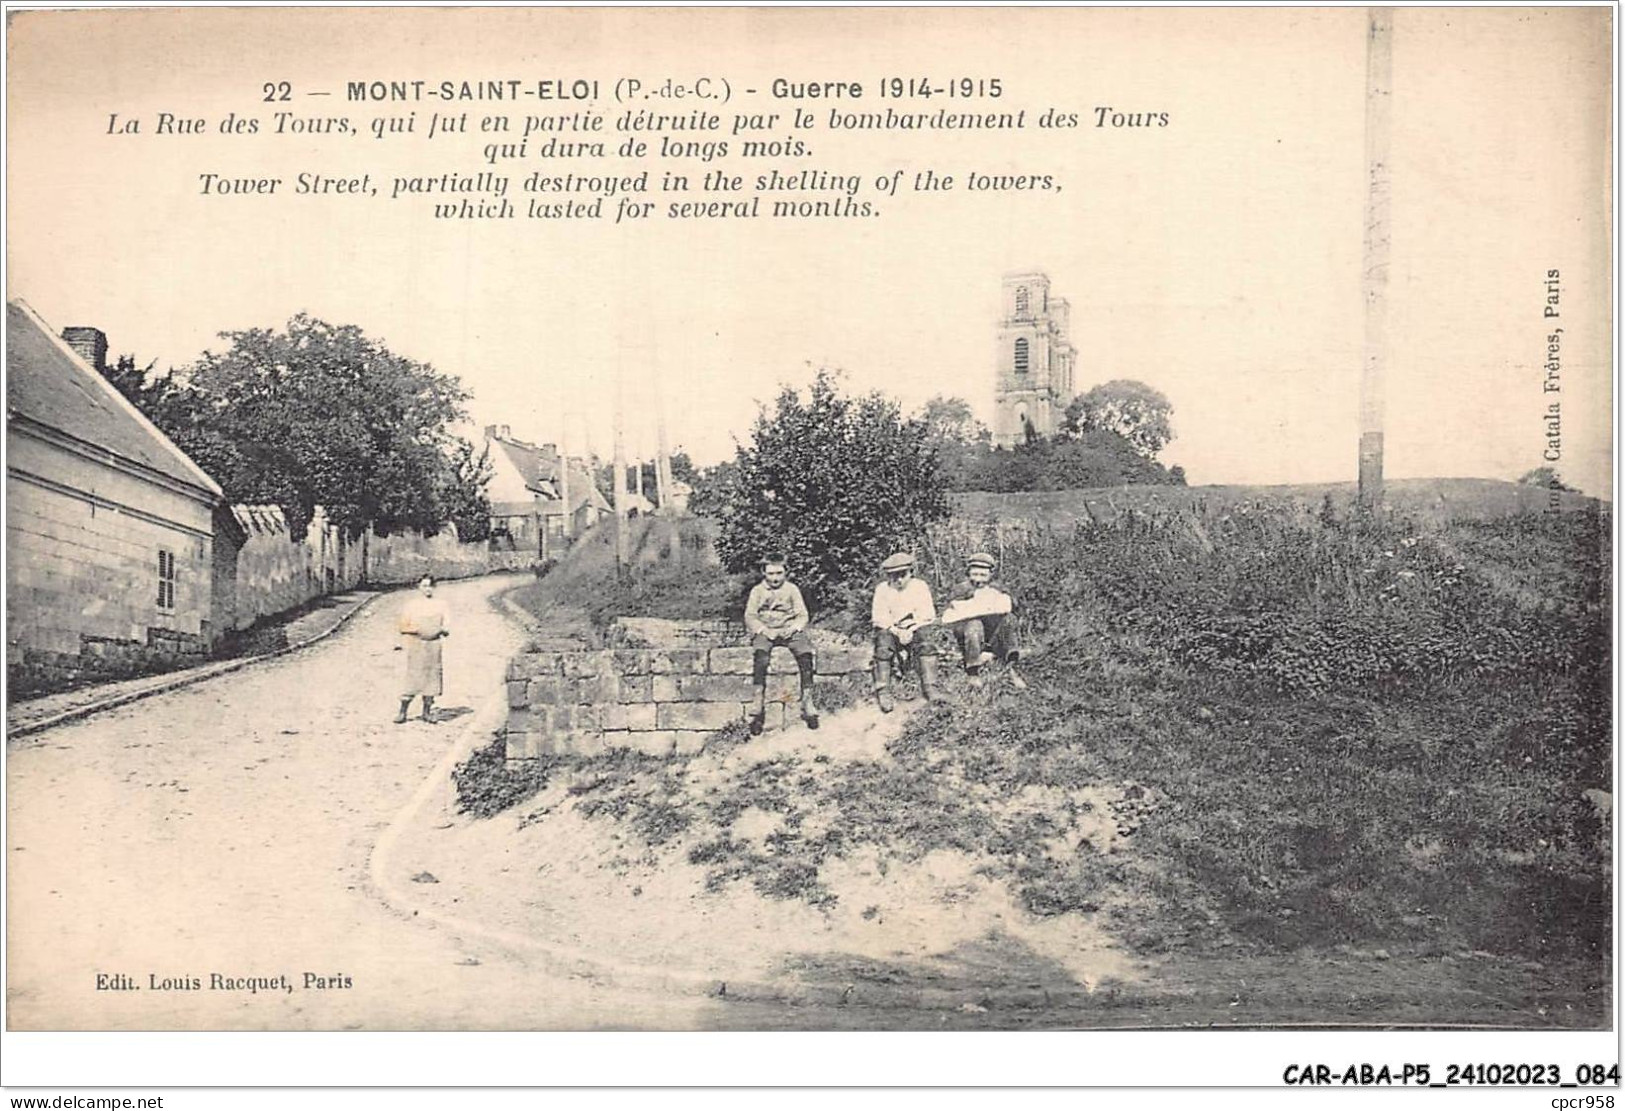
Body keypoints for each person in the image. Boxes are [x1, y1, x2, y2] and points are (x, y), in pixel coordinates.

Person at [742, 554, 818, 734]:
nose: (775, 578)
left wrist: (793, 628)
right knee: (761, 655)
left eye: (779, 573)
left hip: (787, 630)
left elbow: (802, 614)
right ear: (763, 573)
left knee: (805, 653)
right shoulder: (757, 591)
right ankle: (758, 697)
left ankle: (807, 699)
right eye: (771, 574)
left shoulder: (792, 590)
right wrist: (763, 630)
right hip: (766, 630)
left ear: (786, 572)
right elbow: (750, 616)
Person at [940, 551, 1028, 690]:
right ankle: (973, 671)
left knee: (1009, 620)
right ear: (968, 573)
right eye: (975, 574)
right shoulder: (961, 589)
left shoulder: (997, 587)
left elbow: (1012, 606)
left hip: (992, 633)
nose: (978, 579)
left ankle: (1010, 667)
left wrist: (1000, 599)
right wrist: (970, 603)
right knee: (974, 625)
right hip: (970, 633)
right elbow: (949, 614)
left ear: (990, 575)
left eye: (983, 575)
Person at [870, 550, 940, 712]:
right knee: (882, 643)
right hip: (892, 629)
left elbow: (927, 614)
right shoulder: (882, 589)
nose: (899, 580)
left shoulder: (920, 587)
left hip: (914, 627)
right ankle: (883, 690)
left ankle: (930, 686)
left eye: (903, 574)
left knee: (927, 640)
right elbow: (879, 617)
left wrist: (912, 628)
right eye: (894, 576)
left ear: (911, 572)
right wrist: (895, 630)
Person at [395, 575, 450, 723]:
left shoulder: (441, 604)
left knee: (432, 677)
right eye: (424, 586)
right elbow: (403, 626)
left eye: (430, 586)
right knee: (414, 677)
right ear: (419, 587)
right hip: (417, 644)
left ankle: (427, 712)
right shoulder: (412, 605)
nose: (427, 589)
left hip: (434, 645)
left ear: (434, 587)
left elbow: (447, 625)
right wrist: (419, 629)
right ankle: (403, 711)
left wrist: (441, 629)